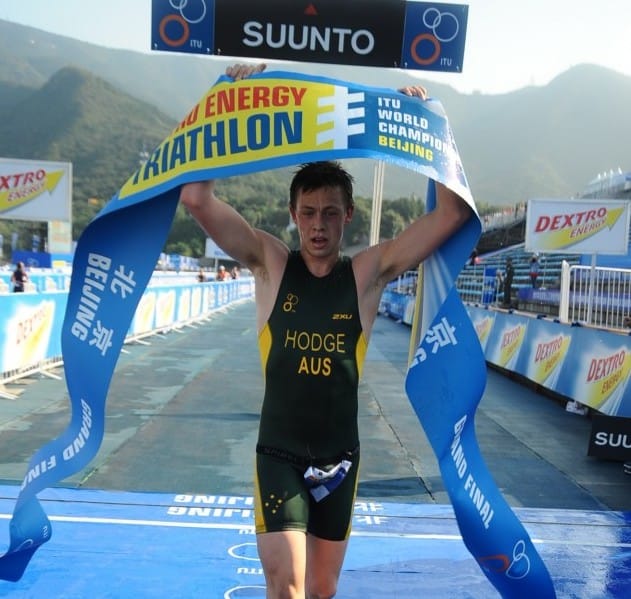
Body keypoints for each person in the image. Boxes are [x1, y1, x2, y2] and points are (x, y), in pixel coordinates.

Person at [179, 63, 472, 599]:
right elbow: (196, 200)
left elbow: (450, 214)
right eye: (309, 213)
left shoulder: (367, 274)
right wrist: (221, 97)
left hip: (341, 459)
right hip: (280, 454)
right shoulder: (269, 263)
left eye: (330, 214)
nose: (318, 225)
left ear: (348, 217)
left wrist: (429, 125)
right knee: (285, 585)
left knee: (320, 591)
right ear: (292, 214)